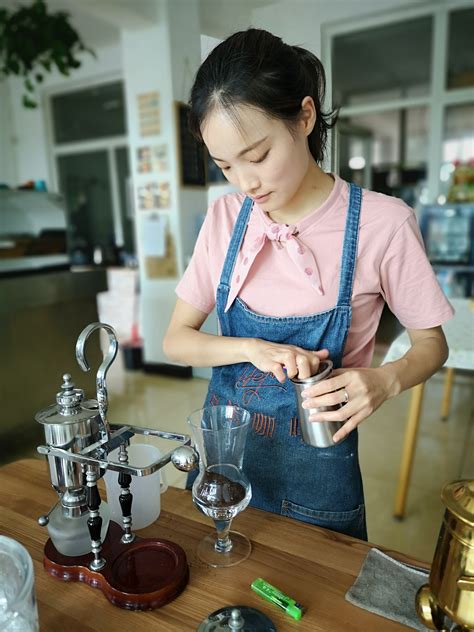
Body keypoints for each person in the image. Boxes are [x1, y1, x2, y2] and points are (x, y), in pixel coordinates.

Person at [163, 28, 453, 540]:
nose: (245, 183)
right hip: (225, 477)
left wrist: (385, 381)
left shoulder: (382, 224)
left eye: (256, 156)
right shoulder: (225, 218)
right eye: (225, 165)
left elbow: (433, 343)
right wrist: (252, 348)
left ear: (304, 116)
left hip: (319, 489)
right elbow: (177, 340)